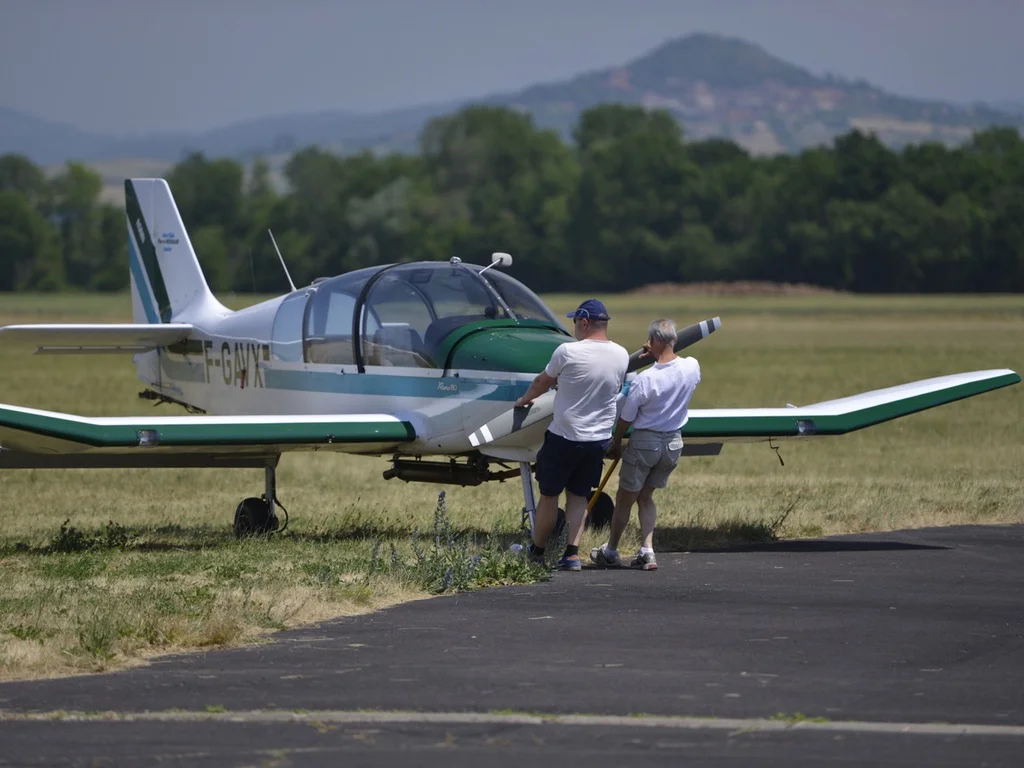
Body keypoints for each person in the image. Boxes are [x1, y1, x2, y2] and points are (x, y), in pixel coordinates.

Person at [514, 298, 629, 571]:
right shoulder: (622, 354)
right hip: (597, 440)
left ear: (584, 322)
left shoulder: (566, 351)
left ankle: (538, 552)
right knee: (579, 496)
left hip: (564, 437)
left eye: (576, 322)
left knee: (549, 495)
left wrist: (524, 400)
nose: (574, 327)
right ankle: (572, 555)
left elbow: (542, 381)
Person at [591, 318, 701, 571]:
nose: (646, 344)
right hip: (673, 442)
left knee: (624, 500)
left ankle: (611, 550)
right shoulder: (692, 367)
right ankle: (647, 551)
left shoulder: (645, 379)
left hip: (645, 443)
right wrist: (656, 352)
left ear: (656, 341)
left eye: (649, 340)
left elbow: (626, 418)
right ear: (674, 340)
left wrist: (616, 442)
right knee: (646, 496)